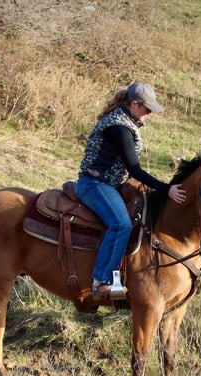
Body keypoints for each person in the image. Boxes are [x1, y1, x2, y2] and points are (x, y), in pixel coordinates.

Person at [76, 82, 187, 300]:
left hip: (112, 185)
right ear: (134, 104)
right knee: (121, 224)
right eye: (147, 109)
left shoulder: (126, 121)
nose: (149, 114)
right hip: (94, 185)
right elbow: (134, 169)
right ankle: (101, 282)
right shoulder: (119, 128)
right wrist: (167, 190)